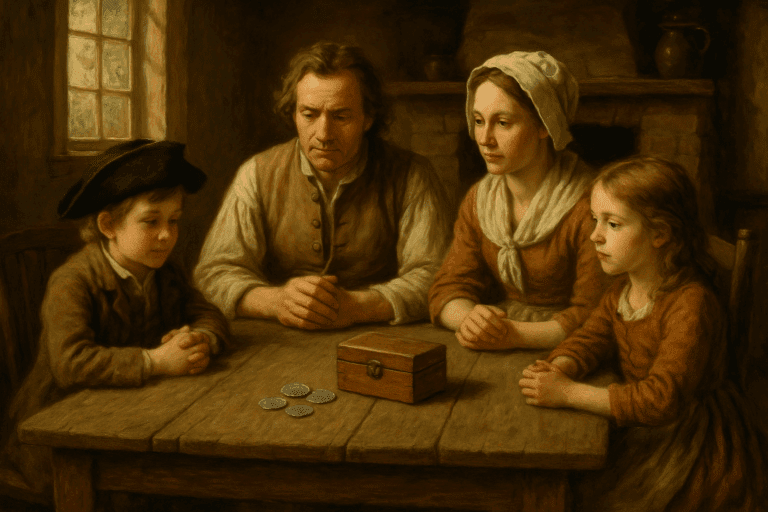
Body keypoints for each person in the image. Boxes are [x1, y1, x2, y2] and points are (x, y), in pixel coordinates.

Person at [518, 156, 767, 511]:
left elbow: (662, 400)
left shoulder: (691, 303)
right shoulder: (620, 293)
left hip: (693, 444)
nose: (595, 235)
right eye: (594, 220)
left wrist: (569, 393)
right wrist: (559, 367)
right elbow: (590, 339)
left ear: (660, 234)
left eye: (613, 224)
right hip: (641, 424)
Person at [1, 139, 231, 499]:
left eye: (174, 221)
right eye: (151, 221)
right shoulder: (73, 281)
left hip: (129, 414)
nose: (166, 234)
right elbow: (70, 362)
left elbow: (208, 313)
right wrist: (155, 361)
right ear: (109, 225)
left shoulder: (166, 272)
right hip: (57, 432)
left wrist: (201, 339)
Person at [194, 42, 452, 330]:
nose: (324, 134)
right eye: (309, 114)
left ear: (368, 118)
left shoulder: (412, 174)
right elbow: (213, 273)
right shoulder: (256, 173)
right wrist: (275, 301)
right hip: (277, 338)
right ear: (293, 114)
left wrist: (359, 306)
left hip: (381, 336)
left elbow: (437, 275)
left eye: (341, 116)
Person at [428, 51, 606, 350]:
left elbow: (597, 314)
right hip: (499, 336)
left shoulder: (591, 204)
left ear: (544, 125)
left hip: (569, 348)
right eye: (479, 121)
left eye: (502, 123)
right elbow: (448, 287)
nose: (485, 139)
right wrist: (469, 319)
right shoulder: (481, 199)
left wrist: (514, 335)